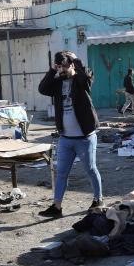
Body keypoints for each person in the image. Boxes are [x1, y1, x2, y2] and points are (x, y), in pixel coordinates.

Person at [37, 51, 103, 219]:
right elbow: (42, 89)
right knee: (61, 173)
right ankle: (57, 206)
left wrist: (76, 61)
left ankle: (98, 200)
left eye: (65, 66)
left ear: (72, 65)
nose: (63, 69)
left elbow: (86, 80)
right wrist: (53, 70)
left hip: (85, 138)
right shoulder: (58, 83)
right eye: (60, 66)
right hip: (66, 139)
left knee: (91, 169)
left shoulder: (82, 79)